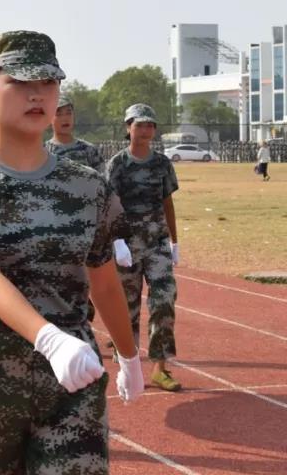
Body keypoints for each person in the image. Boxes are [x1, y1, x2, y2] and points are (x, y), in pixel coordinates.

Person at [0, 31, 143, 472]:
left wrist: (129, 355)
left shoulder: (87, 186)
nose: (36, 94)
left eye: (47, 83)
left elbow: (102, 279)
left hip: (70, 379)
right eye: (19, 83)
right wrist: (47, 339)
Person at [105, 103, 183, 392]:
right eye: (140, 125)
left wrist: (175, 241)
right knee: (128, 307)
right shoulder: (117, 164)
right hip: (127, 245)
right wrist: (115, 241)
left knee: (164, 300)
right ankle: (128, 365)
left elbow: (167, 202)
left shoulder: (162, 164)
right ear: (128, 128)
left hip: (157, 244)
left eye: (150, 125)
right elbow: (109, 205)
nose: (146, 130)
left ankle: (161, 367)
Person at [45, 93, 103, 171]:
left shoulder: (89, 150)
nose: (65, 118)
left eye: (68, 113)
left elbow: (101, 180)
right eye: (58, 114)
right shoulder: (43, 152)